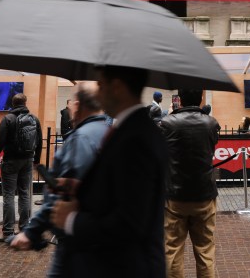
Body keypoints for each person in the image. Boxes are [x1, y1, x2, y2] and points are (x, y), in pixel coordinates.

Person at [50, 66, 168, 276]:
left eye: (101, 85)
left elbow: (129, 223)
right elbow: (122, 189)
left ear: (117, 87)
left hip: (128, 267)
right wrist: (84, 189)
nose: (98, 92)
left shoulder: (135, 138)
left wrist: (71, 220)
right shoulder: (128, 129)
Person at [11, 82, 111, 277]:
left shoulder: (80, 139)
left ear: (78, 105)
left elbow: (63, 193)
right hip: (99, 235)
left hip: (76, 240)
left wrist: (32, 231)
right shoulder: (110, 134)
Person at [158, 88, 220, 278]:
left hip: (175, 196)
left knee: (173, 251)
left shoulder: (167, 123)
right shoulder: (211, 123)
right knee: (205, 251)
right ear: (201, 97)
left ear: (180, 99)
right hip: (204, 194)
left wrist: (168, 116)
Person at [0, 93, 42, 243]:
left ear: (12, 103)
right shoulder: (34, 119)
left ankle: (8, 231)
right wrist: (36, 160)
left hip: (10, 161)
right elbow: (39, 141)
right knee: (24, 194)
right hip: (27, 161)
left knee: (8, 195)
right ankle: (25, 227)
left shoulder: (8, 119)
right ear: (25, 102)